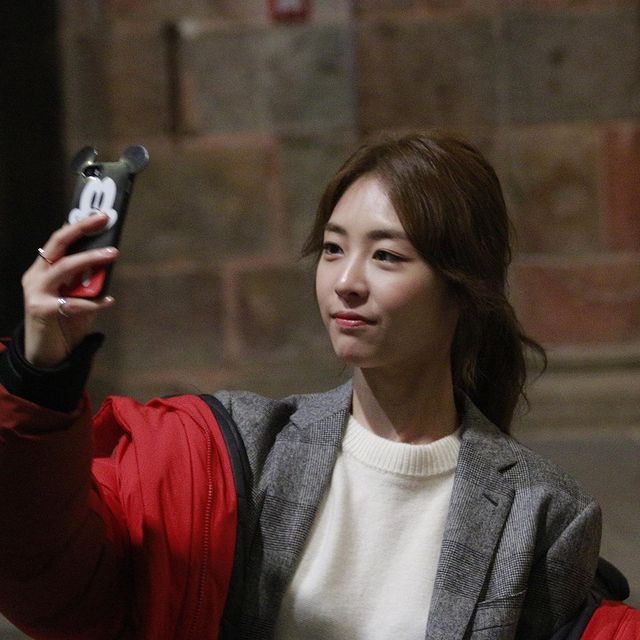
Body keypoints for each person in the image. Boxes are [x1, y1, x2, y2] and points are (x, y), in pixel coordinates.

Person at [0, 132, 619, 639]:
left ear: (462, 289)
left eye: (386, 256)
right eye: (332, 248)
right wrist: (40, 375)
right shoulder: (235, 454)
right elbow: (48, 572)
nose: (346, 281)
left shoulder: (538, 512)